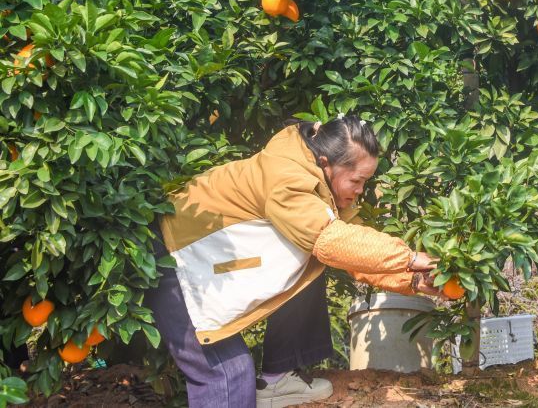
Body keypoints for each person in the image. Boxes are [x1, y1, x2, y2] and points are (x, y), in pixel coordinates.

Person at [146, 115, 446, 408]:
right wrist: (411, 257)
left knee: (308, 265)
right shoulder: (286, 177)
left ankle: (277, 379)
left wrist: (413, 280)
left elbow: (353, 254)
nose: (360, 191)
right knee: (228, 373)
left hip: (202, 263)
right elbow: (331, 241)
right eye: (357, 180)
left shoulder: (320, 182)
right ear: (327, 164)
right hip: (175, 259)